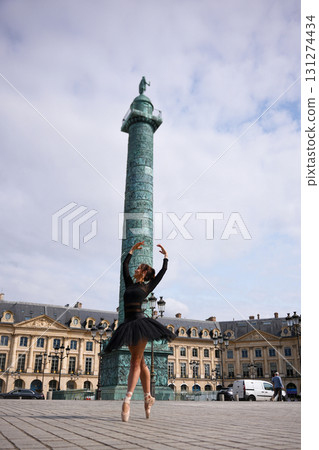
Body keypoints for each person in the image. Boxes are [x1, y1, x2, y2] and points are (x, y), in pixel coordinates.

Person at [104, 241, 176, 422]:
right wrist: (130, 251)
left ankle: (127, 400)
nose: (136, 268)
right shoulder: (129, 285)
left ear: (144, 273)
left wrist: (165, 257)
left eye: (139, 267)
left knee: (135, 361)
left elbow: (162, 273)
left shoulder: (147, 287)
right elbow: (124, 266)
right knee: (142, 363)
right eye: (137, 267)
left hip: (139, 324)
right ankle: (148, 398)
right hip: (127, 325)